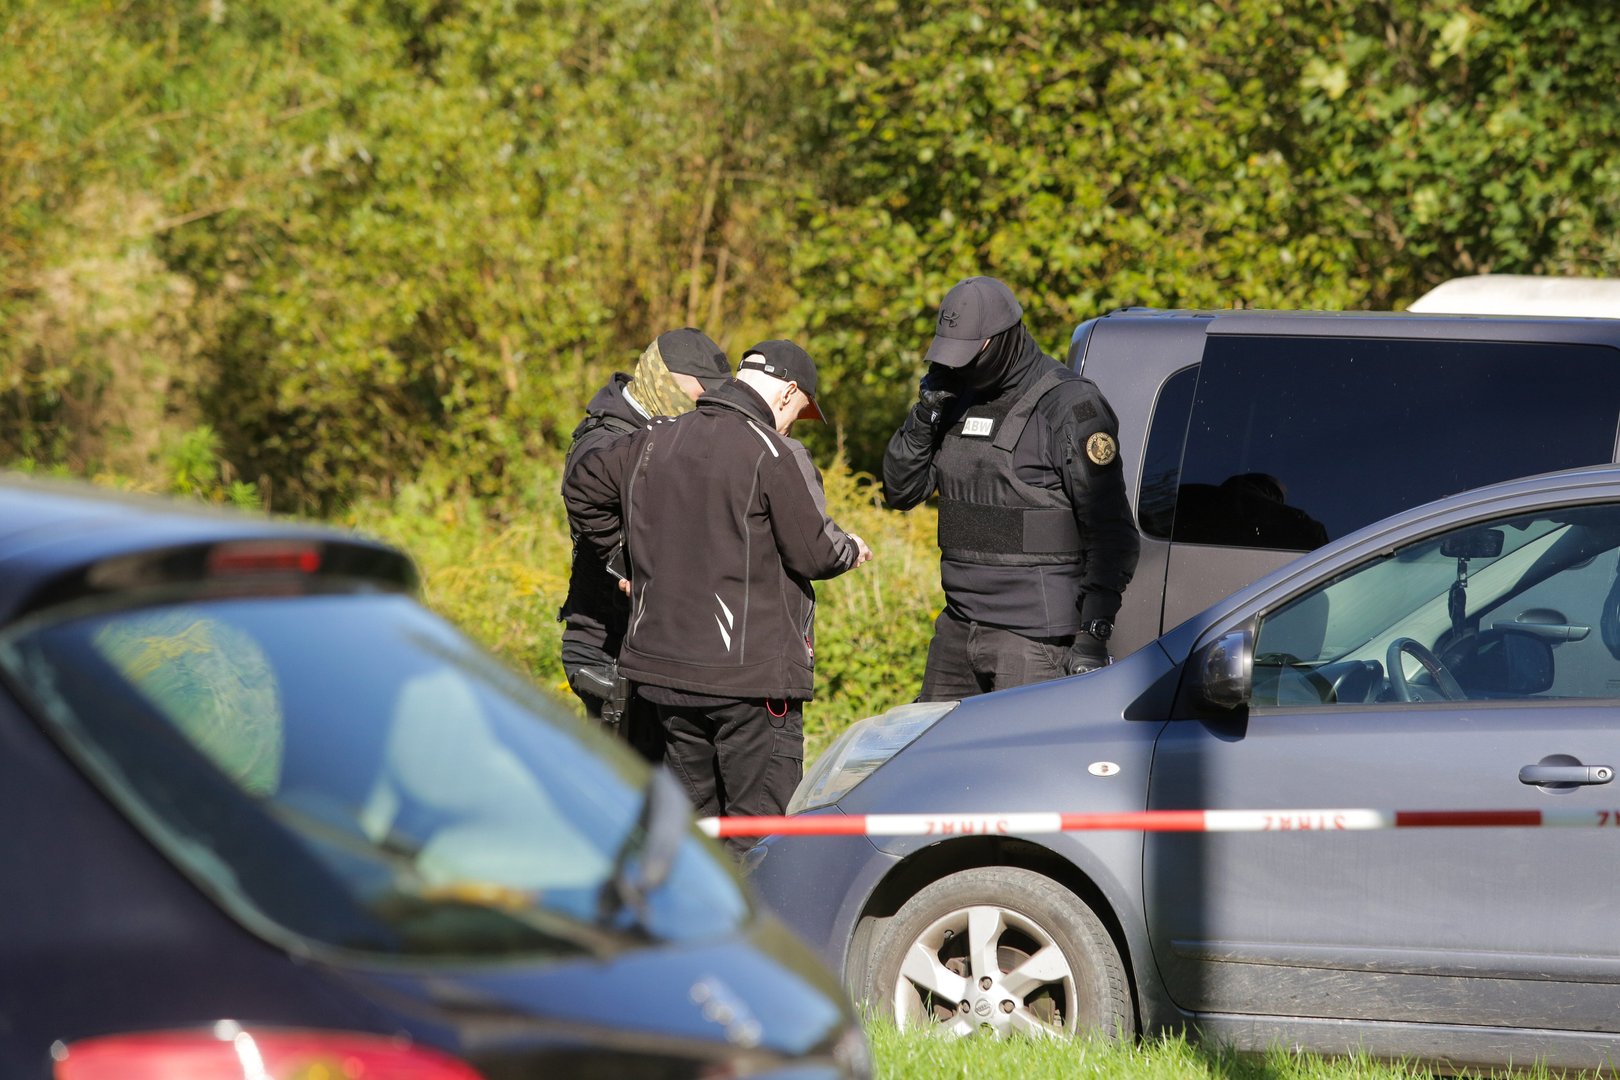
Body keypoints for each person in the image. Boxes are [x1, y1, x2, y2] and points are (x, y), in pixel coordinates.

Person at [563, 340, 872, 851]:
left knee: (695, 840)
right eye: (798, 411)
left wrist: (626, 560)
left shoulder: (653, 438)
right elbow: (815, 553)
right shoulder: (775, 452)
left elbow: (581, 485)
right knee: (760, 842)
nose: (793, 425)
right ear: (787, 392)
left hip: (666, 681)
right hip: (750, 684)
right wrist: (850, 548)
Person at [882, 275, 1139, 700]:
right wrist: (924, 415)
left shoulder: (1070, 406)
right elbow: (901, 491)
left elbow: (1114, 533)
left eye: (969, 354)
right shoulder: (952, 397)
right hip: (957, 628)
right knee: (932, 744)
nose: (959, 366)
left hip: (1034, 643)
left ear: (1001, 339)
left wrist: (1093, 635)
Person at [558, 327, 731, 761]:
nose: (706, 401)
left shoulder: (670, 431)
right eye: (701, 389)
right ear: (664, 377)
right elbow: (581, 500)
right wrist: (632, 568)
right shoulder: (605, 439)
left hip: (654, 647)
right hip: (608, 648)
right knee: (625, 782)